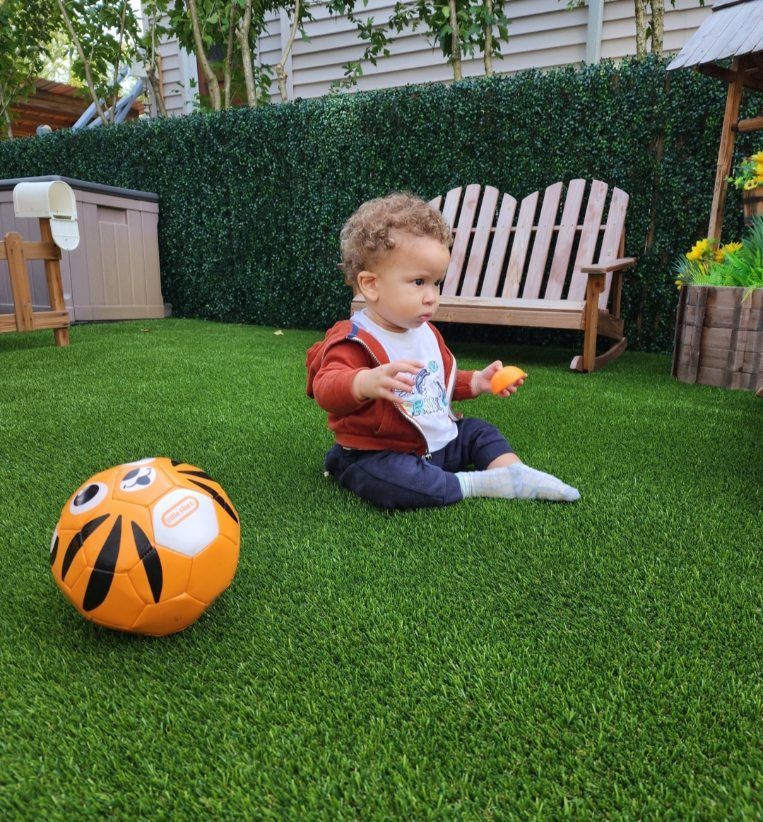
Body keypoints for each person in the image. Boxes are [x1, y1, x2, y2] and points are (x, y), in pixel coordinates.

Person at [305, 192, 580, 510]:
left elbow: (437, 379)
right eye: (419, 282)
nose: (431, 296)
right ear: (371, 285)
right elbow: (326, 387)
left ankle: (514, 473)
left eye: (437, 283)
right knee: (393, 484)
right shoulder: (354, 339)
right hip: (380, 451)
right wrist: (363, 382)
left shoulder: (424, 332)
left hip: (438, 441)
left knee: (478, 432)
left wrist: (477, 381)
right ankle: (479, 483)